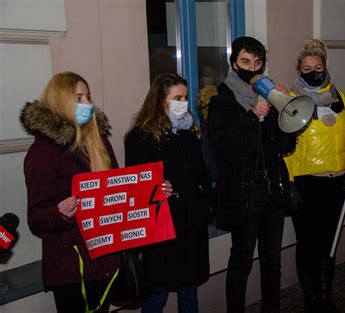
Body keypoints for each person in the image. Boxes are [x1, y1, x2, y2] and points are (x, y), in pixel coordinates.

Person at [207, 36, 296, 313]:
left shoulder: (268, 94)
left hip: (271, 190)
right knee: (242, 261)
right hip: (244, 192)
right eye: (246, 62)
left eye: (258, 63)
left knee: (272, 260)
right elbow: (222, 147)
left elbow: (285, 146)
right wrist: (252, 116)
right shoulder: (223, 99)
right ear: (234, 63)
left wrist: (283, 109)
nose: (252, 67)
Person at [21, 71, 120, 313]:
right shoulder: (44, 151)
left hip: (104, 259)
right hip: (71, 268)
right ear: (60, 102)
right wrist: (61, 214)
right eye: (79, 98)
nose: (88, 104)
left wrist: (152, 192)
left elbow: (118, 187)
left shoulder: (99, 142)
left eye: (88, 97)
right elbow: (36, 216)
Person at [284, 39, 345, 313]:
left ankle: (325, 296)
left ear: (325, 67)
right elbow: (286, 148)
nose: (313, 71)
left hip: (337, 182)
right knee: (308, 242)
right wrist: (290, 181)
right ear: (299, 70)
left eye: (317, 66)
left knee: (329, 242)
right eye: (307, 68)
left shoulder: (339, 98)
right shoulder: (292, 102)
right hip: (308, 183)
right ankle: (311, 299)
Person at [124, 73, 210, 313]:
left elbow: (201, 174)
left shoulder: (188, 133)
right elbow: (136, 182)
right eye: (177, 97)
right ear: (160, 101)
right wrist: (155, 187)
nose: (183, 102)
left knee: (189, 289)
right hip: (162, 227)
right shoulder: (141, 136)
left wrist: (206, 204)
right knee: (157, 291)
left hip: (192, 223)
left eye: (185, 97)